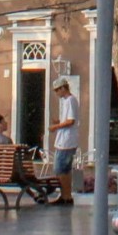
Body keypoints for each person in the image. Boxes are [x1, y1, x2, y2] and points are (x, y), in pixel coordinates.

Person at [48, 76, 79, 206]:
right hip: (65, 140)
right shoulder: (67, 101)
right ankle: (66, 196)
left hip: (66, 142)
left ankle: (66, 195)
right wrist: (59, 122)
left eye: (57, 90)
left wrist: (56, 127)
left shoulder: (71, 100)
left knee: (60, 169)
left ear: (63, 88)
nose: (56, 93)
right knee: (65, 170)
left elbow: (71, 121)